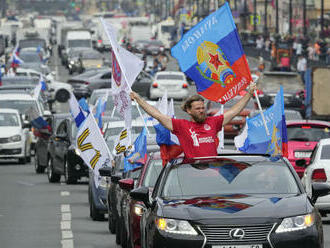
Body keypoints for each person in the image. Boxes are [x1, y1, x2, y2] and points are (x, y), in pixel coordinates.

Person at [129, 83, 257, 159]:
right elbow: (158, 115)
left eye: (202, 108)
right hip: (192, 172)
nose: (201, 111)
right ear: (189, 111)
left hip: (212, 170)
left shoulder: (213, 122)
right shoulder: (181, 126)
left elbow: (234, 111)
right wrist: (139, 99)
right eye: (197, 108)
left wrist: (249, 93)